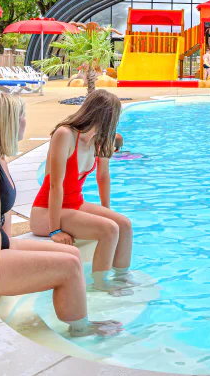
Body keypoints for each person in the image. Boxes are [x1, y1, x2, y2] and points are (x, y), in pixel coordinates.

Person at [0, 92, 121, 337]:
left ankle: (75, 315)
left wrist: (11, 248)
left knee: (72, 253)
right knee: (68, 266)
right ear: (7, 121)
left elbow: (2, 217)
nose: (25, 121)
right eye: (21, 115)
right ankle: (82, 330)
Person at [30, 90, 135, 297]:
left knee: (124, 224)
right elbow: (55, 185)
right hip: (46, 211)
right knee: (109, 230)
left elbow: (103, 177)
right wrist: (54, 230)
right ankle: (100, 283)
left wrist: (106, 211)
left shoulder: (100, 140)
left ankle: (121, 277)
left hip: (75, 204)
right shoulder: (65, 135)